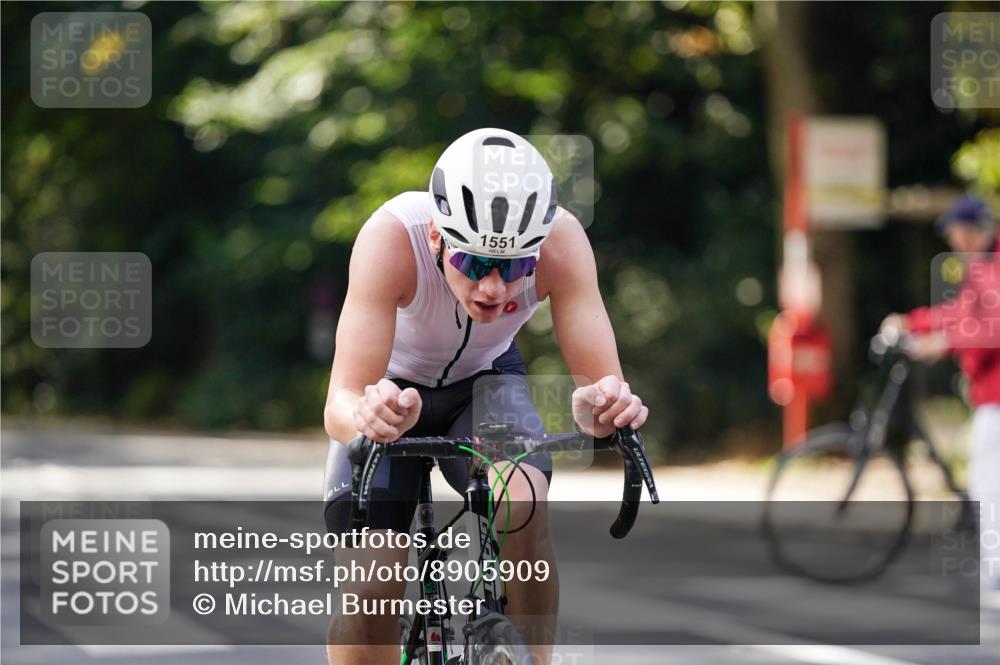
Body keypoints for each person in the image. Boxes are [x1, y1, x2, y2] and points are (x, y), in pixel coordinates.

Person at [322, 127, 649, 664]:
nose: (494, 288)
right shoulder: (390, 238)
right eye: (473, 263)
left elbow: (602, 390)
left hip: (485, 384)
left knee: (523, 500)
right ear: (436, 237)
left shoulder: (563, 243)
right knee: (374, 579)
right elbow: (340, 399)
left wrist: (605, 411)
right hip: (391, 393)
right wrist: (367, 416)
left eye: (516, 266)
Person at [882, 194, 1000, 591]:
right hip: (989, 393)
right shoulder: (982, 268)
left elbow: (991, 330)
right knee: (984, 476)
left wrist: (943, 342)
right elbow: (958, 315)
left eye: (955, 232)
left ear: (969, 231)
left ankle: (995, 570)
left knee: (989, 480)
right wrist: (912, 323)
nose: (953, 241)